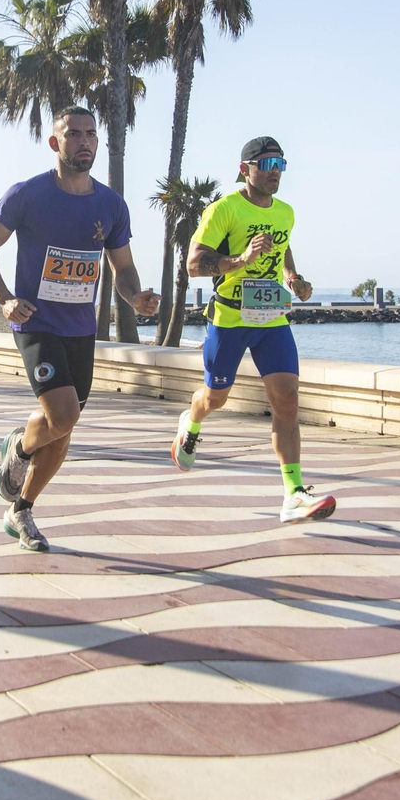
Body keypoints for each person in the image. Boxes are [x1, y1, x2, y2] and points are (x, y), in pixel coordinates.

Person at [0, 106, 160, 552]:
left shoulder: (111, 205)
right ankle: (18, 448)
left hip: (80, 329)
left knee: (61, 430)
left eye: (91, 134)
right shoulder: (27, 195)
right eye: (73, 134)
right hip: (35, 322)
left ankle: (21, 510)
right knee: (64, 416)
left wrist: (135, 298)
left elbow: (124, 266)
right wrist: (5, 299)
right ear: (55, 143)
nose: (84, 141)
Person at [172, 137, 336, 524]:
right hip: (230, 319)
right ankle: (190, 422)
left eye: (281, 163)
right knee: (215, 398)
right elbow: (194, 265)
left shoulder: (285, 212)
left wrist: (293, 277)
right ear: (245, 169)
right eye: (267, 163)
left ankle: (293, 493)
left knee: (288, 399)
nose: (275, 170)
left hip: (271, 320)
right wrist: (242, 259)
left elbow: (282, 246)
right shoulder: (223, 209)